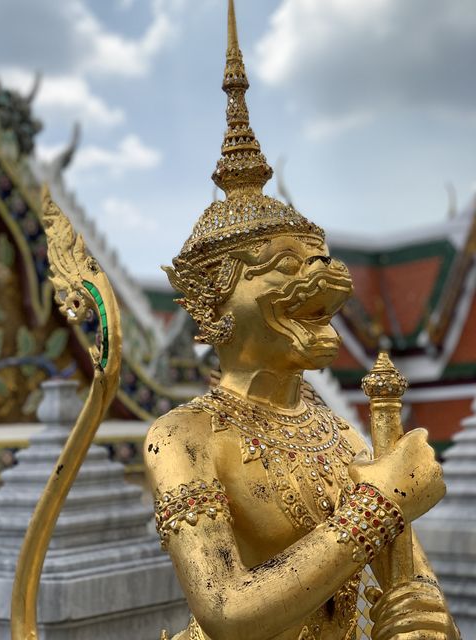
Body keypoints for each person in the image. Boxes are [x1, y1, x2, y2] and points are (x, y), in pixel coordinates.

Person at [145, 2, 460, 639]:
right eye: (283, 265)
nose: (321, 278)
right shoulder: (181, 438)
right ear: (215, 298)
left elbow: (410, 581)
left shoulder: (335, 433)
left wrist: (420, 617)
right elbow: (226, 609)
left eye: (317, 260)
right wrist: (379, 504)